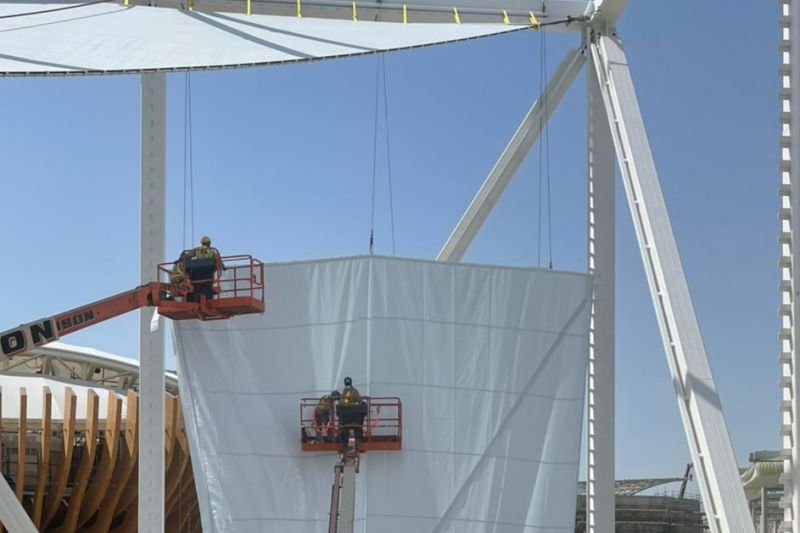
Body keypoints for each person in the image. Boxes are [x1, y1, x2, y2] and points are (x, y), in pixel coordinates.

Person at [186, 236, 222, 301]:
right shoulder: (212, 251)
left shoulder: (197, 250)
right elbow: (218, 259)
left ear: (202, 243)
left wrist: (182, 260)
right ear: (209, 243)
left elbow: (187, 255)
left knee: (195, 287)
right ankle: (208, 298)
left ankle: (196, 297)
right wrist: (222, 266)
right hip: (208, 272)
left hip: (197, 272)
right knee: (208, 287)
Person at [337, 376, 365, 442]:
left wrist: (361, 403)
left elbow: (358, 399)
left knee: (355, 427)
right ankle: (341, 438)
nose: (347, 386)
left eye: (348, 384)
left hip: (353, 413)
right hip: (347, 413)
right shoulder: (345, 391)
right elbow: (343, 400)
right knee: (343, 426)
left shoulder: (354, 391)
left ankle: (357, 438)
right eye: (346, 384)